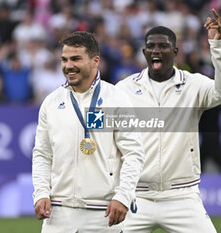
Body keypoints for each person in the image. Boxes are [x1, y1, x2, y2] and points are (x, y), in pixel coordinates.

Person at [116, 9, 221, 233]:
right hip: (135, 196)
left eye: (163, 46)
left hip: (182, 196)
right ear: (144, 52)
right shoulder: (125, 88)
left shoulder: (193, 84)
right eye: (151, 46)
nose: (156, 51)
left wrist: (217, 47)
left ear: (175, 51)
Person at [32, 31, 145, 233]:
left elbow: (133, 154)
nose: (68, 66)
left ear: (95, 61)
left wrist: (123, 196)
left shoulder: (116, 99)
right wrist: (41, 193)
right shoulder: (51, 102)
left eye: (76, 59)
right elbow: (42, 154)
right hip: (58, 216)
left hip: (102, 215)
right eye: (64, 60)